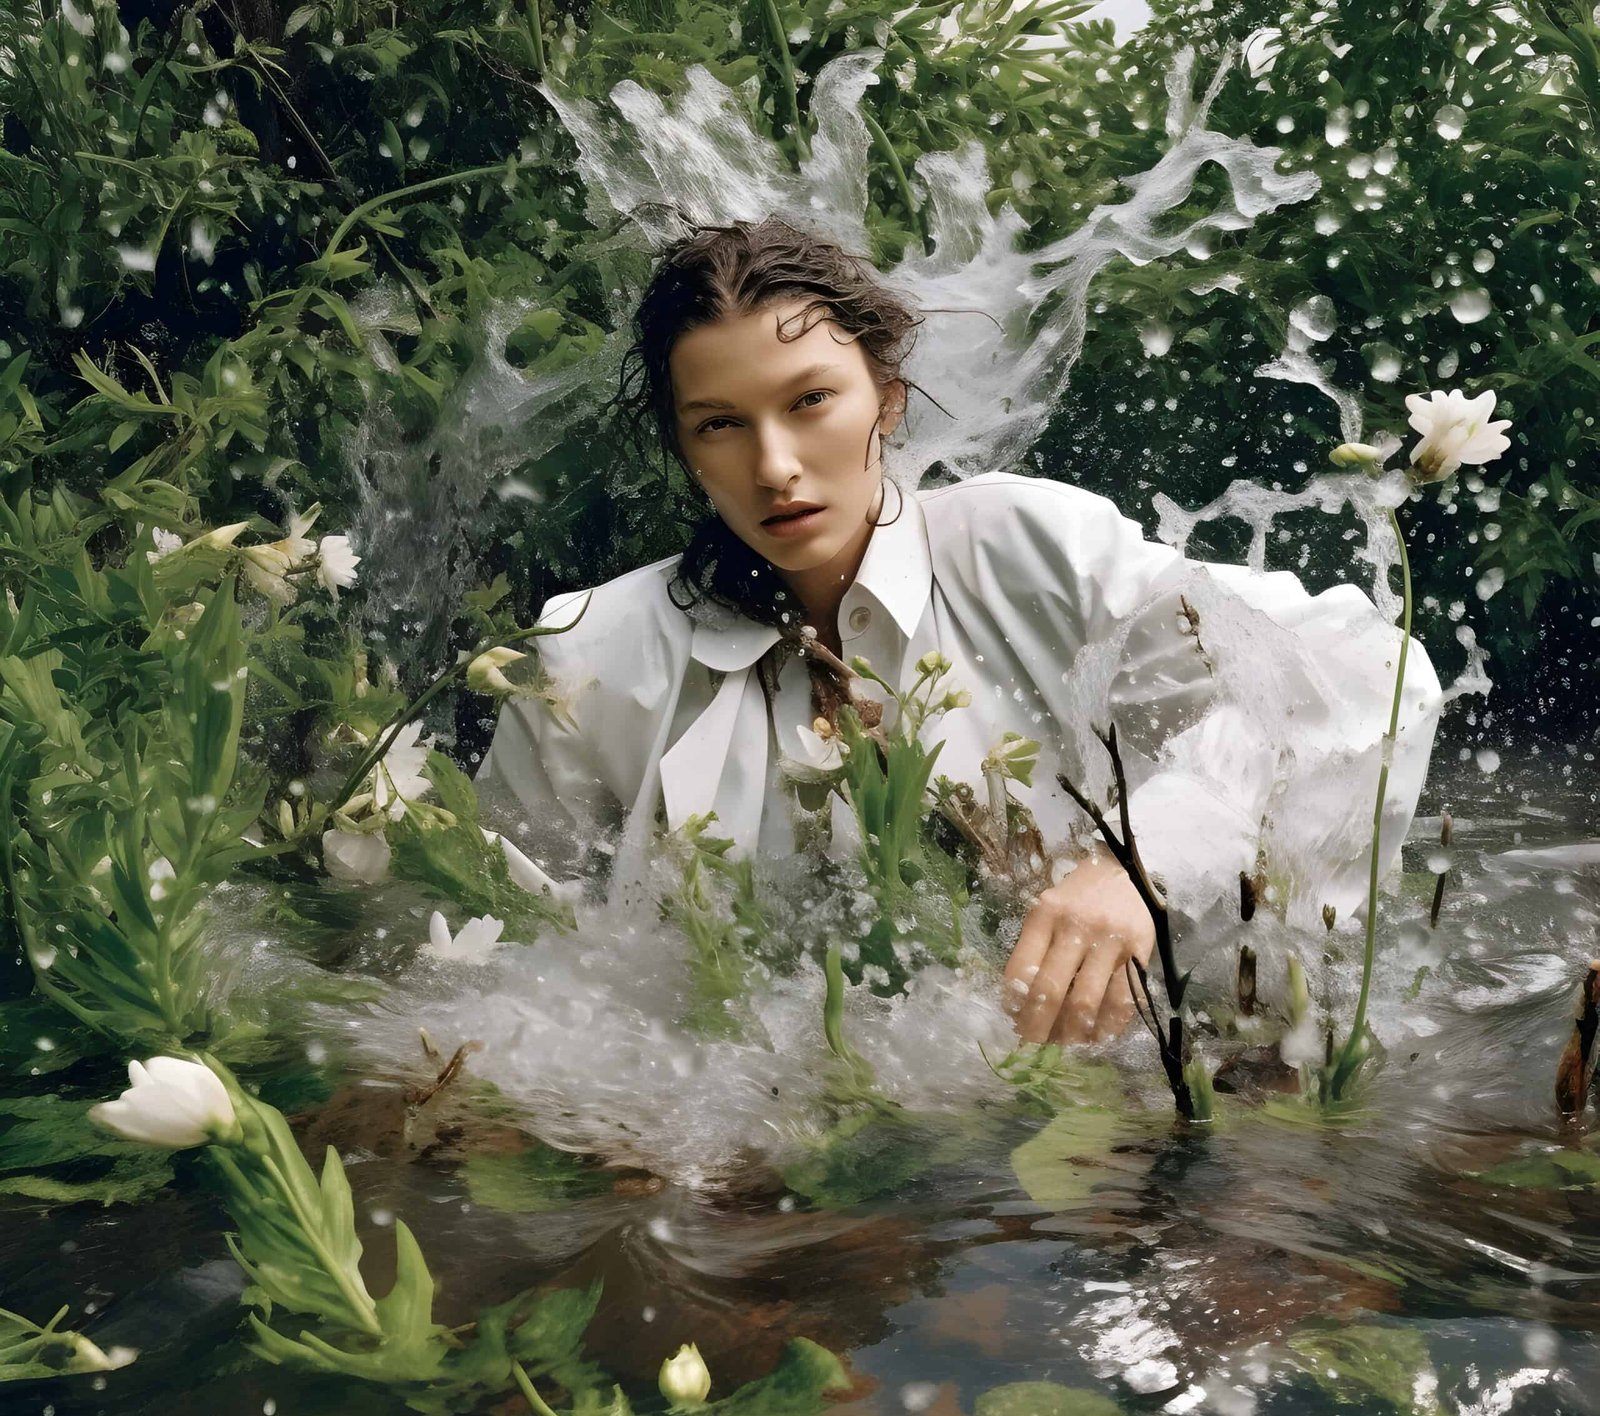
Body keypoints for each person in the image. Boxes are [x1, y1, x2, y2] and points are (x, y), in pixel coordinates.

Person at [476, 217, 1443, 1049]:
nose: (775, 466)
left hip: (1090, 1121)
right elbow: (496, 947)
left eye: (811, 402)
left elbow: (1364, 678)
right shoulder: (589, 655)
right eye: (720, 425)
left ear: (886, 400)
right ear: (684, 449)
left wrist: (1143, 862)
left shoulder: (1024, 551)